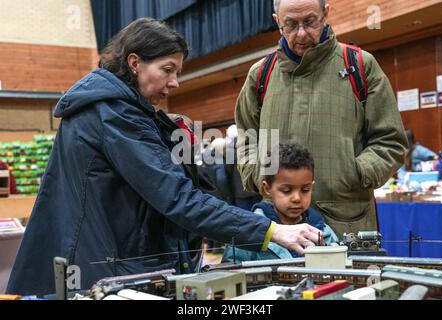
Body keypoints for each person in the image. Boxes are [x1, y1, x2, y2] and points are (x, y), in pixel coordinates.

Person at [7, 18, 322, 297]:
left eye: (178, 72)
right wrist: (271, 230)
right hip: (107, 271)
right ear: (134, 63)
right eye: (167, 70)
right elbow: (176, 197)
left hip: (109, 264)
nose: (175, 83)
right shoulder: (113, 115)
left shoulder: (126, 113)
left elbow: (187, 189)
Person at [235, 0, 408, 237]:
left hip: (347, 224)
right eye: (291, 24)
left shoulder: (359, 65)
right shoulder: (260, 75)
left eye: (309, 21)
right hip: (278, 229)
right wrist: (259, 175)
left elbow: (391, 141)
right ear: (277, 22)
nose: (302, 33)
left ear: (325, 14)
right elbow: (247, 141)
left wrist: (352, 173)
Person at [223, 144, 338, 263]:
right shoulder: (250, 233)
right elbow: (232, 271)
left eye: (305, 190)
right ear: (267, 188)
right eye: (286, 191)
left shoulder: (324, 232)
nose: (297, 198)